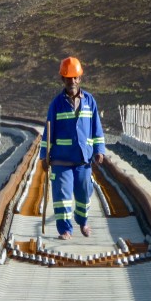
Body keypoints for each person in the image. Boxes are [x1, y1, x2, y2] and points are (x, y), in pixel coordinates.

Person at [40, 56, 105, 240]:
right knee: (62, 196)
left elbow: (96, 129)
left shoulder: (90, 101)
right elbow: (48, 131)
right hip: (61, 159)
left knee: (84, 193)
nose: (73, 81)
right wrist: (44, 156)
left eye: (75, 78)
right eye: (69, 78)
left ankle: (82, 220)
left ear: (80, 78)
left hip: (83, 160)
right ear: (63, 79)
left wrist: (99, 150)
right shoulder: (56, 104)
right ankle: (65, 229)